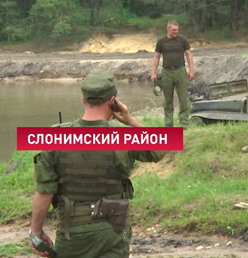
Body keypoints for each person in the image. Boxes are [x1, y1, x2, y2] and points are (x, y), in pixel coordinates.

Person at [29, 71, 166, 258]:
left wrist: (35, 232)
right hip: (113, 231)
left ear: (83, 100)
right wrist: (130, 120)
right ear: (113, 101)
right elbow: (160, 148)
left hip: (72, 234)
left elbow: (45, 191)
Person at [150, 20, 195, 128]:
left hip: (180, 71)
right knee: (168, 100)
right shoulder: (161, 41)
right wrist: (153, 73)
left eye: (177, 30)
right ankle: (168, 125)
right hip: (166, 72)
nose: (176, 32)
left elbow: (189, 54)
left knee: (183, 99)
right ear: (168, 29)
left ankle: (184, 123)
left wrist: (191, 70)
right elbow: (156, 57)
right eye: (174, 30)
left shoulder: (182, 40)